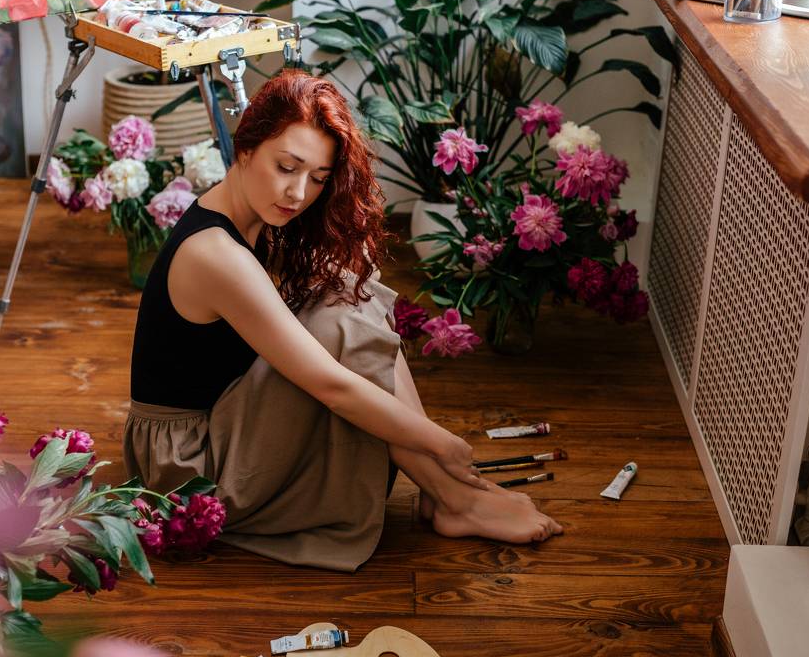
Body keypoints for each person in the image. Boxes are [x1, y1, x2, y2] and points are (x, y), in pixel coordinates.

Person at [124, 70, 561, 571]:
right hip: (189, 468)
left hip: (223, 415)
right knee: (341, 328)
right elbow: (332, 387)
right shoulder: (214, 253)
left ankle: (449, 493)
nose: (297, 193)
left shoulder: (253, 216)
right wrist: (441, 443)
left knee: (348, 298)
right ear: (244, 148)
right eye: (286, 167)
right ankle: (453, 494)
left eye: (317, 178)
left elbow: (353, 305)